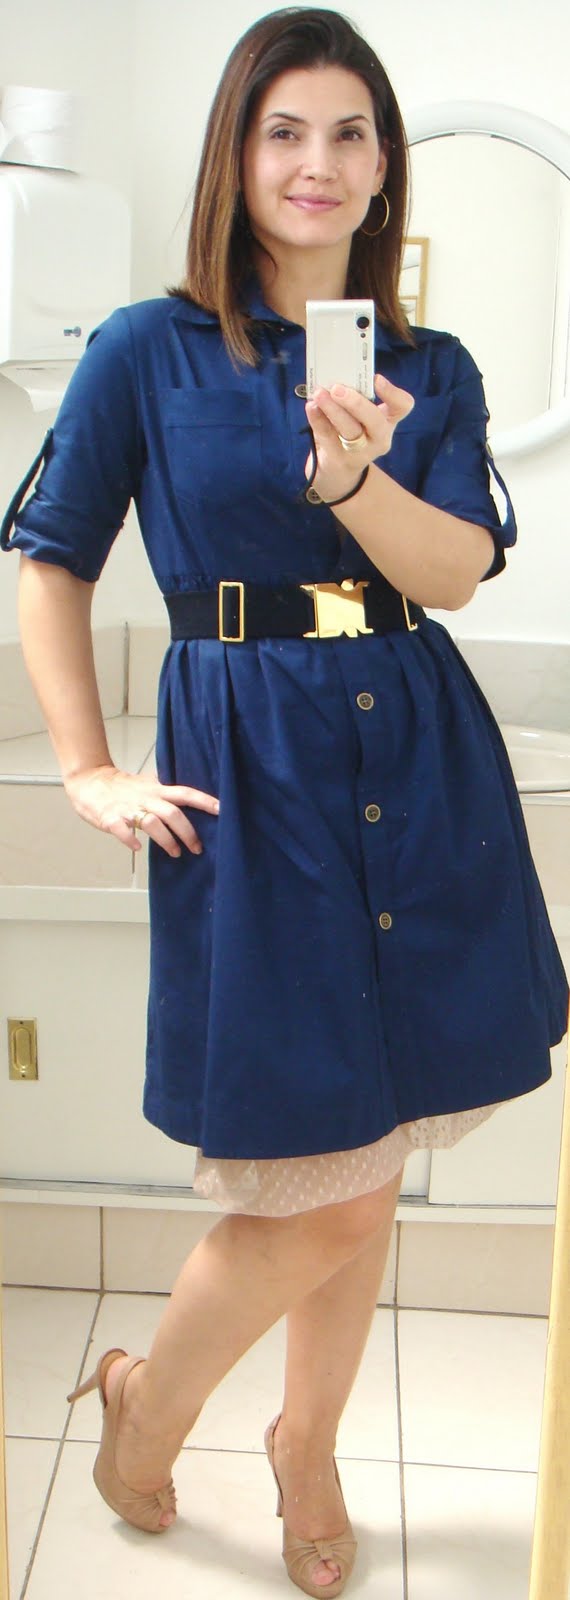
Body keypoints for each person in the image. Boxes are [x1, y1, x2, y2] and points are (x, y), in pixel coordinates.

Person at [2, 7, 568, 1595]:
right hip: (247, 776)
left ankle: (303, 1443)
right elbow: (49, 561)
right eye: (283, 131)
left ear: (383, 168)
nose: (317, 163)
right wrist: (86, 763)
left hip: (417, 760)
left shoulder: (428, 369)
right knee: (314, 1177)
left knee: (364, 1162)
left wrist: (352, 479)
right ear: (235, 158)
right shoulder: (146, 350)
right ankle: (148, 1408)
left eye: (349, 133)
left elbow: (450, 574)